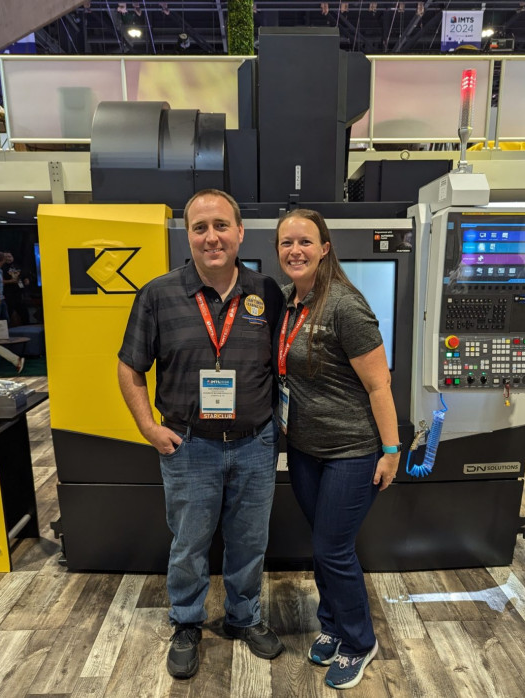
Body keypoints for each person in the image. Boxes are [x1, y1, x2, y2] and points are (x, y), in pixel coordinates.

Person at [117, 189, 285, 680]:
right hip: (189, 447)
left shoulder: (266, 292)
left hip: (254, 445)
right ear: (187, 235)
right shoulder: (158, 293)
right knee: (189, 544)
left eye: (220, 226)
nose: (211, 237)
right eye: (199, 228)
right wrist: (149, 427)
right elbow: (130, 368)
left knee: (250, 541)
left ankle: (243, 617)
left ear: (239, 232)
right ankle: (187, 622)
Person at [275, 209, 401, 690]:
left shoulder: (346, 306)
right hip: (307, 449)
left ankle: (358, 641)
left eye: (305, 241)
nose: (295, 250)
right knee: (325, 548)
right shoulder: (291, 301)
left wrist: (390, 451)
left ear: (325, 247)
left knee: (333, 548)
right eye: (287, 243)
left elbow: (379, 386)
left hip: (353, 450)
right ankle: (332, 624)